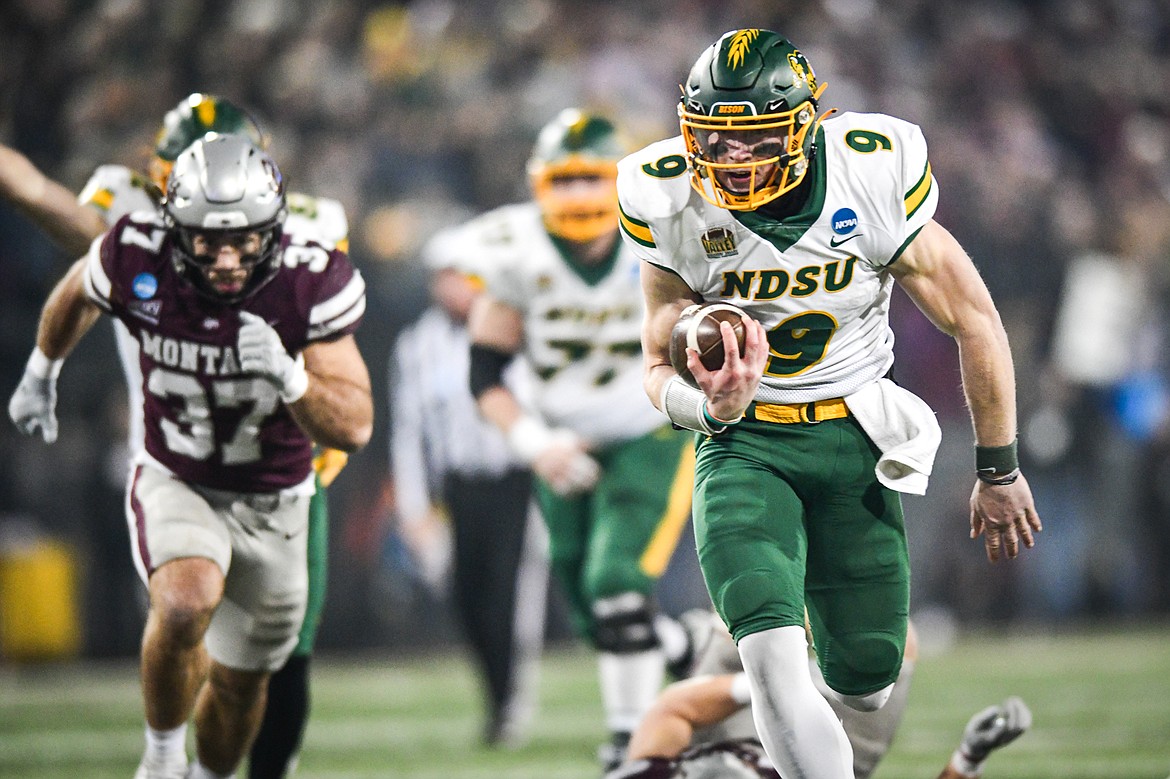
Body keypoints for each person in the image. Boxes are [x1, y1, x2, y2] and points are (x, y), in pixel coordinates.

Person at [619, 28, 1042, 778]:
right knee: (771, 660)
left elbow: (973, 316)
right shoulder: (667, 196)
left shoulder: (869, 174)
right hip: (744, 445)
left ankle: (800, 698)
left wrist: (1000, 466)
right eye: (712, 138)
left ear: (804, 127)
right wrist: (707, 404)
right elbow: (656, 360)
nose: (728, 159)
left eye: (751, 140)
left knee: (870, 684)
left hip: (853, 438)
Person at [0, 93, 351, 778]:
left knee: (272, 656)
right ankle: (164, 759)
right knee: (184, 612)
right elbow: (53, 215)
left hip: (279, 464)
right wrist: (42, 368)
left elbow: (324, 333)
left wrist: (318, 402)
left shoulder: (304, 235)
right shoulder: (136, 230)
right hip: (173, 460)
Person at [467, 108, 700, 769]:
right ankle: (682, 647)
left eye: (589, 178)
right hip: (561, 441)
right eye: (562, 180)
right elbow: (483, 370)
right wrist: (533, 441)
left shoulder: (657, 234)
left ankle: (628, 740)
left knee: (616, 578)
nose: (576, 196)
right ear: (540, 183)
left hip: (648, 429)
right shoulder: (517, 251)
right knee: (591, 610)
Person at [389, 229, 550, 747]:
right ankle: (498, 696)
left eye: (461, 275)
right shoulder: (417, 344)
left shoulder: (511, 327)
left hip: (513, 479)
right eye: (445, 277)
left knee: (507, 593)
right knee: (466, 596)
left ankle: (509, 703)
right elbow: (408, 430)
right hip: (458, 487)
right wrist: (414, 505)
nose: (453, 288)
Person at [606, 611, 1032, 779]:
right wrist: (968, 758)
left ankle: (698, 639)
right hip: (833, 750)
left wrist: (774, 682)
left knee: (742, 616)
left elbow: (671, 711)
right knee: (892, 642)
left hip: (725, 724)